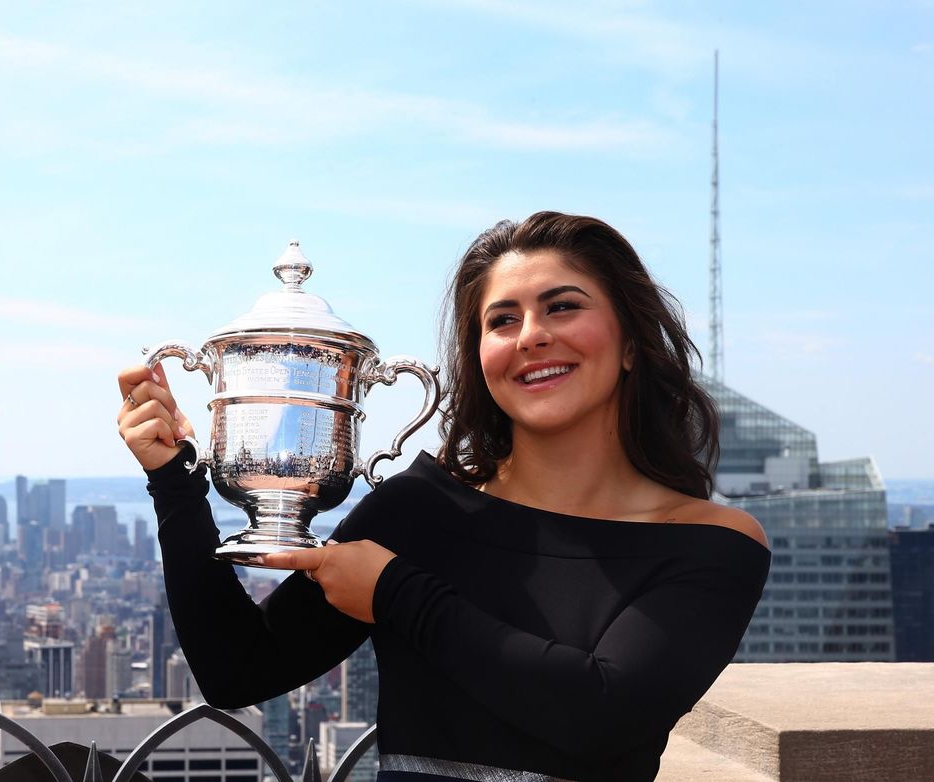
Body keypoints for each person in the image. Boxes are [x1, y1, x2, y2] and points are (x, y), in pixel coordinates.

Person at [115, 212, 771, 782]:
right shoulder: (420, 511)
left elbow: (600, 717)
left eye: (563, 306)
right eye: (502, 320)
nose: (531, 335)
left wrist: (396, 594)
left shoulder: (711, 544)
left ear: (630, 342)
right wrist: (174, 479)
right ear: (480, 357)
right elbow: (239, 670)